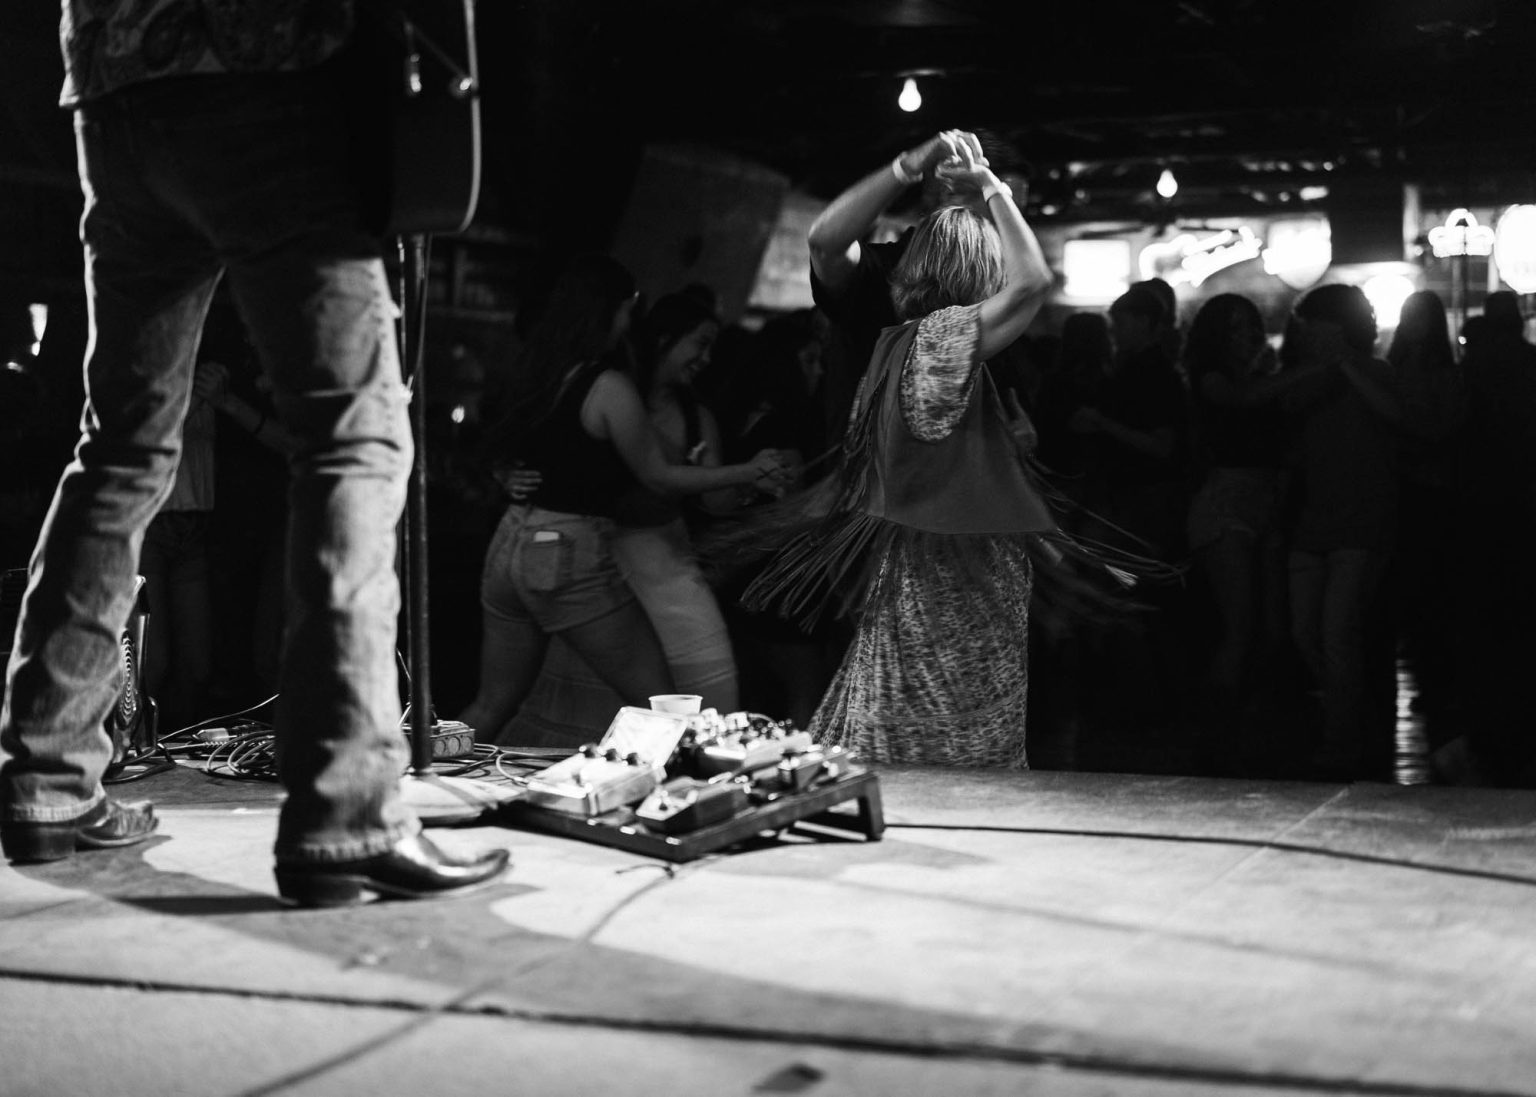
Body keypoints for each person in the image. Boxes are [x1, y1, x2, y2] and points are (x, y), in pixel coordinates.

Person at [1, 2, 511, 907]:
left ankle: (44, 779)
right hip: (264, 65)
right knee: (352, 437)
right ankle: (345, 810)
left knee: (120, 443)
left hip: (117, 88)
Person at [748, 140, 1055, 766]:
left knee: (901, 714)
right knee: (959, 733)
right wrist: (992, 189)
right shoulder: (944, 339)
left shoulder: (895, 345)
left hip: (914, 562)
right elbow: (1033, 284)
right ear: (978, 270)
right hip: (957, 574)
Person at [462, 258, 788, 746]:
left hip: (510, 544)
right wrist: (747, 471)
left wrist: (504, 474)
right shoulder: (606, 386)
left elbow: (495, 448)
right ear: (609, 312)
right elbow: (656, 477)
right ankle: (675, 808)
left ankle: (411, 783)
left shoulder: (540, 373)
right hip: (565, 552)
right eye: (626, 310)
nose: (629, 321)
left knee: (491, 704)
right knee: (661, 704)